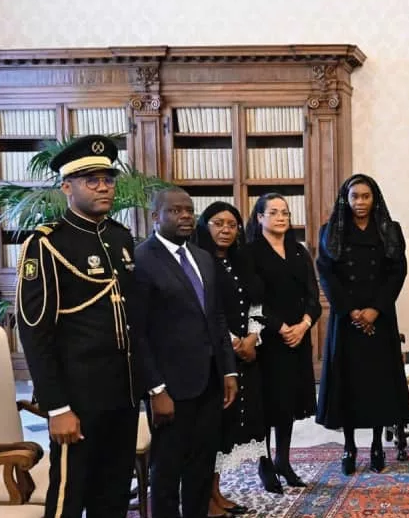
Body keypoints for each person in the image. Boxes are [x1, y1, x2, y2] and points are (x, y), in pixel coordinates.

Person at [16, 135, 139, 518]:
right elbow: (36, 332)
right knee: (69, 494)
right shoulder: (47, 244)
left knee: (115, 492)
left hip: (123, 392)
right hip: (79, 397)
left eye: (108, 178)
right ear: (67, 187)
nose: (104, 186)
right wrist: (57, 407)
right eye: (91, 179)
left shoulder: (120, 238)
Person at [132, 187, 238, 518]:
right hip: (170, 387)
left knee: (202, 464)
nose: (185, 216)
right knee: (167, 469)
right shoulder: (141, 260)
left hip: (209, 380)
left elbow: (216, 317)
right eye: (175, 211)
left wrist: (229, 370)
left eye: (189, 210)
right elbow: (137, 333)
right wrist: (156, 389)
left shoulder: (202, 257)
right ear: (155, 217)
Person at [316, 174, 409, 475]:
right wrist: (351, 311)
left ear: (375, 199)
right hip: (346, 320)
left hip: (380, 317)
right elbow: (326, 273)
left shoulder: (390, 230)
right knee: (348, 384)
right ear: (345, 199)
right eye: (354, 196)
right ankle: (349, 446)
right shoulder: (330, 230)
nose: (360, 202)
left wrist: (374, 309)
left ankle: (375, 444)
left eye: (365, 196)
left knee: (377, 384)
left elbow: (397, 272)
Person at [193, 202, 271, 514]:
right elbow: (203, 312)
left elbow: (257, 302)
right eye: (218, 223)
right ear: (204, 226)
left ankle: (217, 491)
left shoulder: (242, 260)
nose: (225, 230)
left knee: (231, 428)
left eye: (232, 224)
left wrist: (253, 336)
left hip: (245, 357)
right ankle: (205, 496)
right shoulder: (198, 261)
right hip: (213, 357)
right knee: (212, 427)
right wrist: (232, 342)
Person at [246, 193, 323, 488]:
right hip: (267, 340)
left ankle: (284, 460)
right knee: (267, 403)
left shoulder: (299, 251)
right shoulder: (250, 252)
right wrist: (280, 327)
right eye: (274, 212)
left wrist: (303, 325)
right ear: (260, 217)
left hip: (298, 339)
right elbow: (253, 299)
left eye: (286, 213)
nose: (281, 217)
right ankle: (265, 464)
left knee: (288, 403)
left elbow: (313, 297)